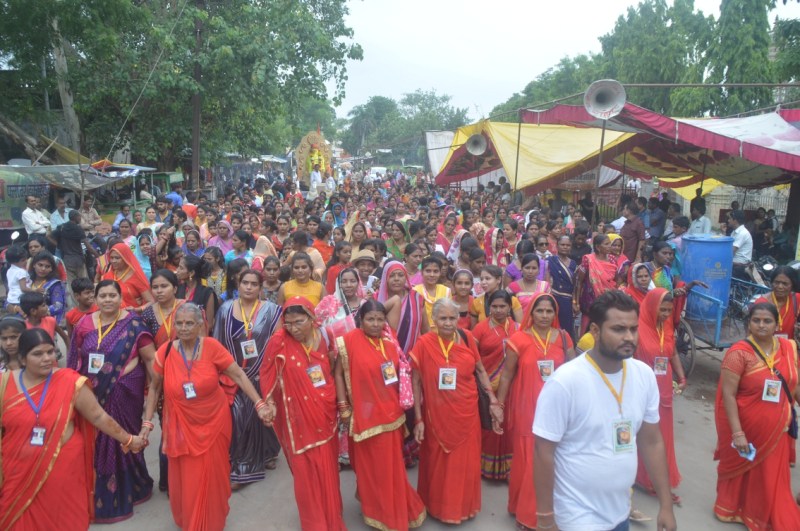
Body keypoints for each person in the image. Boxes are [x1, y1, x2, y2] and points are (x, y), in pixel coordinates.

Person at [533, 290, 676, 531]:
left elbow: (651, 442)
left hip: (620, 513)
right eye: (618, 329)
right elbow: (543, 452)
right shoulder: (565, 382)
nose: (629, 337)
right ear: (596, 331)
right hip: (576, 515)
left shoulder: (644, 375)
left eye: (633, 328)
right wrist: (546, 519)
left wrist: (666, 505)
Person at [0, 328, 147, 530]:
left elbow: (98, 416)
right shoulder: (4, 383)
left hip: (63, 466)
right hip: (17, 466)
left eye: (50, 352)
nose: (46, 359)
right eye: (37, 354)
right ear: (23, 358)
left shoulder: (70, 381)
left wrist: (128, 440)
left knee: (63, 518)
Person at [142, 303, 272, 530]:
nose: (183, 328)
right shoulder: (165, 351)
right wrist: (147, 423)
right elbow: (154, 387)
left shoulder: (212, 347)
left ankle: (210, 519)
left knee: (213, 474)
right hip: (181, 426)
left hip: (214, 422)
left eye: (189, 323)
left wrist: (259, 403)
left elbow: (239, 375)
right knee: (188, 477)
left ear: (200, 325)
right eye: (179, 323)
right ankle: (192, 520)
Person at [66, 279, 157, 523]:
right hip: (90, 394)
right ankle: (100, 489)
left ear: (120, 298)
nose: (107, 300)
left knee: (122, 436)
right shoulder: (84, 324)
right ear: (95, 299)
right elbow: (74, 358)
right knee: (96, 440)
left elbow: (150, 360)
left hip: (125, 391)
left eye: (112, 295)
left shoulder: (135, 325)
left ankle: (133, 484)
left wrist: (156, 389)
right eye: (103, 296)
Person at [334, 300, 427, 530]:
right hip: (363, 416)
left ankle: (391, 509)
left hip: (391, 416)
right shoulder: (348, 342)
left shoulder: (389, 342)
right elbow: (337, 374)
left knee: (390, 469)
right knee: (368, 467)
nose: (375, 324)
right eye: (370, 319)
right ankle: (374, 504)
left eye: (379, 319)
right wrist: (343, 406)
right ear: (360, 320)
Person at [410, 298, 503, 523]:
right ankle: (437, 507)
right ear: (434, 320)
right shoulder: (423, 343)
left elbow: (480, 371)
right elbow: (416, 383)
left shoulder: (467, 338)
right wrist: (418, 419)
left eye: (453, 318)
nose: (449, 323)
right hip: (436, 414)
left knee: (465, 462)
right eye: (443, 318)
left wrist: (492, 400)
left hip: (467, 410)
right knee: (437, 460)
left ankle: (462, 508)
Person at [259, 296, 346, 531]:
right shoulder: (279, 341)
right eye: (288, 323)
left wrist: (339, 402)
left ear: (311, 318)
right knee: (305, 473)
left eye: (299, 322)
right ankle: (315, 524)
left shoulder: (325, 335)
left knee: (327, 466)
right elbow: (267, 372)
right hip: (296, 418)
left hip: (324, 411)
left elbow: (331, 369)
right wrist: (270, 403)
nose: (293, 328)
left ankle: (331, 514)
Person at [713, 302, 800, 529]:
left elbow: (793, 384)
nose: (761, 325)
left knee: (769, 476)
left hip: (778, 429)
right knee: (744, 473)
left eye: (767, 321)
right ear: (749, 323)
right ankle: (733, 509)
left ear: (777, 324)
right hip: (747, 426)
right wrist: (737, 433)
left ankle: (761, 513)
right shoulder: (739, 353)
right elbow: (728, 396)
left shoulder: (788, 348)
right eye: (756, 320)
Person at [496, 292, 575, 530]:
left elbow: (574, 373)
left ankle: (548, 510)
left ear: (555, 314)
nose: (544, 315)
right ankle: (527, 514)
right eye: (539, 310)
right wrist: (498, 406)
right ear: (531, 312)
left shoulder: (563, 338)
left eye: (549, 311)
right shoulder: (519, 339)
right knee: (529, 457)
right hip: (527, 408)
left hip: (557, 409)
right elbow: (507, 375)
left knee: (554, 459)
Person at [213, 269, 282, 488]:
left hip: (263, 372)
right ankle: (243, 466)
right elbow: (217, 343)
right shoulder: (225, 310)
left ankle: (268, 452)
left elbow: (277, 343)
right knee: (240, 417)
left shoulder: (272, 311)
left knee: (265, 418)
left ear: (260, 288)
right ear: (238, 284)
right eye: (245, 283)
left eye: (254, 284)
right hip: (234, 374)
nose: (249, 287)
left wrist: (273, 373)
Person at [634, 289, 686, 500]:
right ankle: (643, 478)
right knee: (642, 435)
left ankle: (655, 478)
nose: (665, 314)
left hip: (664, 390)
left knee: (662, 436)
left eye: (668, 310)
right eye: (661, 309)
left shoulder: (666, 326)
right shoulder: (636, 328)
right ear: (650, 306)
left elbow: (672, 352)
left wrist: (682, 377)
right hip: (642, 390)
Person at [471, 290, 520, 481]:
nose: (498, 310)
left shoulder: (517, 328)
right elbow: (474, 360)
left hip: (511, 387)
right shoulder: (480, 330)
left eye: (503, 306)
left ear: (509, 307)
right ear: (488, 307)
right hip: (488, 387)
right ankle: (485, 467)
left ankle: (509, 470)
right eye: (494, 306)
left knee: (508, 427)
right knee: (489, 427)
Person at [574, 234, 618, 334]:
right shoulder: (588, 260)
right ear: (598, 247)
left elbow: (615, 280)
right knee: (586, 329)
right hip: (590, 301)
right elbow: (579, 281)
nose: (609, 246)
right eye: (606, 244)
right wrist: (575, 301)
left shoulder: (612, 259)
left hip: (607, 299)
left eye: (609, 244)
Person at [546, 235, 577, 341]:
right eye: (562, 245)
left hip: (567, 301)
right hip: (553, 298)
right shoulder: (550, 261)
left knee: (566, 329)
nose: (565, 247)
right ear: (557, 246)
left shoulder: (573, 264)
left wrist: (574, 302)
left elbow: (575, 285)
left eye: (568, 245)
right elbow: (546, 280)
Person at [176, 254, 218, 330]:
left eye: (181, 268)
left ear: (191, 273)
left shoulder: (207, 293)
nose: (177, 270)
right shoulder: (178, 290)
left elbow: (209, 324)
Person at [28, 251, 66, 325]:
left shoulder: (54, 284)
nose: (43, 269)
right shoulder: (26, 281)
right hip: (24, 321)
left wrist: (37, 312)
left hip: (45, 322)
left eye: (47, 266)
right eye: (40, 265)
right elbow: (13, 297)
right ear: (34, 265)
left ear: (51, 269)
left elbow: (58, 306)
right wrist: (16, 308)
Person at [728, 209, 754, 281]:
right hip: (734, 264)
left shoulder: (742, 233)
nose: (728, 220)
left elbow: (730, 252)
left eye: (730, 218)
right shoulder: (734, 232)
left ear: (735, 220)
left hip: (739, 266)